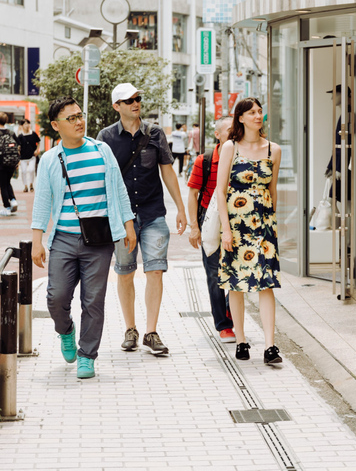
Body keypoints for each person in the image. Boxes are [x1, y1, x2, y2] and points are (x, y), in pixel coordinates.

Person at [31, 96, 136, 379]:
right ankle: (65, 331)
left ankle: (87, 354)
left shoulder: (102, 151)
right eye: (71, 118)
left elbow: (119, 190)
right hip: (63, 238)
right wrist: (37, 240)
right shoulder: (50, 159)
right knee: (56, 297)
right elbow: (42, 201)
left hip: (99, 240)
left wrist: (128, 224)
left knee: (93, 300)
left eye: (80, 115)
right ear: (56, 125)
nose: (79, 121)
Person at [97, 83, 188, 355]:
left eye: (137, 99)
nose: (135, 103)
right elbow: (103, 180)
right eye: (128, 100)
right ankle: (130, 329)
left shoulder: (156, 133)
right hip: (123, 218)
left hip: (153, 214)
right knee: (125, 273)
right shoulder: (106, 137)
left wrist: (181, 209)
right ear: (117, 106)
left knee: (156, 270)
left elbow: (168, 173)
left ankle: (151, 332)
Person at [216, 97, 282, 363]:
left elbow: (272, 189)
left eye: (260, 111)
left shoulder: (273, 150)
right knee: (237, 283)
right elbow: (221, 192)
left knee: (266, 284)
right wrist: (226, 230)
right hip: (236, 224)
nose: (258, 115)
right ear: (240, 118)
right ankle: (241, 341)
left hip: (264, 226)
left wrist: (272, 225)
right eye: (252, 112)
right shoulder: (230, 147)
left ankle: (270, 346)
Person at [187, 116, 235, 343]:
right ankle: (223, 325)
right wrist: (194, 227)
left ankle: (231, 312)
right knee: (214, 272)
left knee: (237, 270)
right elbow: (193, 194)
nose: (235, 133)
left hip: (238, 218)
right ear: (217, 134)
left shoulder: (243, 157)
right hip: (210, 219)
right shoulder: (204, 160)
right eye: (229, 130)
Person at [0, 112, 20, 216]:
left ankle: (7, 207)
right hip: (12, 162)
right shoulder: (11, 132)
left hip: (1, 162)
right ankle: (13, 200)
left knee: (2, 185)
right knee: (7, 182)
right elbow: (18, 146)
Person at [17, 119, 40, 193]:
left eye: (28, 124)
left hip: (32, 156)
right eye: (25, 124)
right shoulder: (20, 136)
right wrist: (18, 151)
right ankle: (25, 186)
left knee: (31, 170)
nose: (27, 125)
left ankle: (31, 184)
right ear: (22, 125)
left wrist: (37, 150)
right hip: (23, 156)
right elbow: (18, 145)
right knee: (23, 171)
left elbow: (38, 141)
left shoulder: (33, 133)